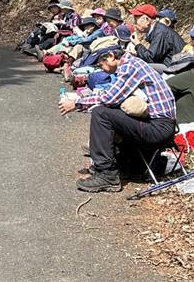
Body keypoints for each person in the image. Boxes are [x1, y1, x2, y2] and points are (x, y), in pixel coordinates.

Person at [58, 47, 177, 192]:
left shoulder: (130, 67)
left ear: (111, 56)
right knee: (112, 112)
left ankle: (107, 173)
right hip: (159, 126)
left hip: (158, 128)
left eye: (101, 65)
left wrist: (77, 103)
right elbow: (112, 95)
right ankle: (125, 164)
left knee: (101, 113)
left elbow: (110, 98)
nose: (102, 69)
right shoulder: (133, 64)